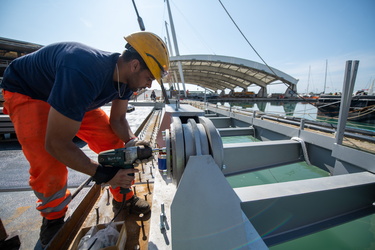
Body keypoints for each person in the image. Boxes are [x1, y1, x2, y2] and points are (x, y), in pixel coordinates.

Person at [1, 31, 169, 248]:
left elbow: (117, 121)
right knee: (48, 162)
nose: (149, 86)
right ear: (135, 65)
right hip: (29, 91)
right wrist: (102, 174)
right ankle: (53, 219)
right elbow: (56, 144)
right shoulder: (85, 72)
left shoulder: (126, 81)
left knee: (114, 143)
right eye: (149, 78)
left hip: (69, 93)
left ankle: (123, 198)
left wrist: (132, 142)